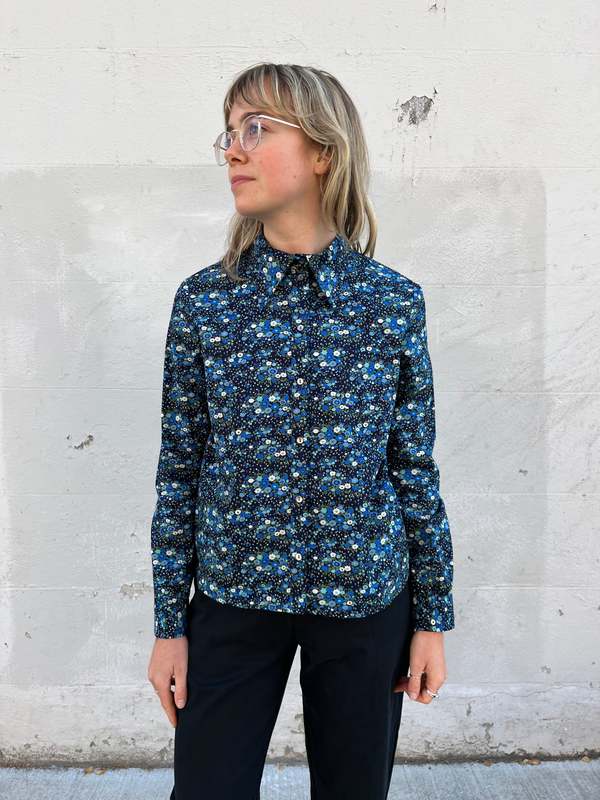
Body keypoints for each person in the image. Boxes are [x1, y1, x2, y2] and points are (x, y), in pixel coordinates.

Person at [147, 62, 455, 800]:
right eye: (229, 132)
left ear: (323, 150)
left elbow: (412, 466)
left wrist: (431, 619)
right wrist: (168, 626)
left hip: (364, 598)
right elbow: (180, 466)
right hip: (233, 597)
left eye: (256, 128)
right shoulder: (204, 302)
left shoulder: (391, 303)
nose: (233, 149)